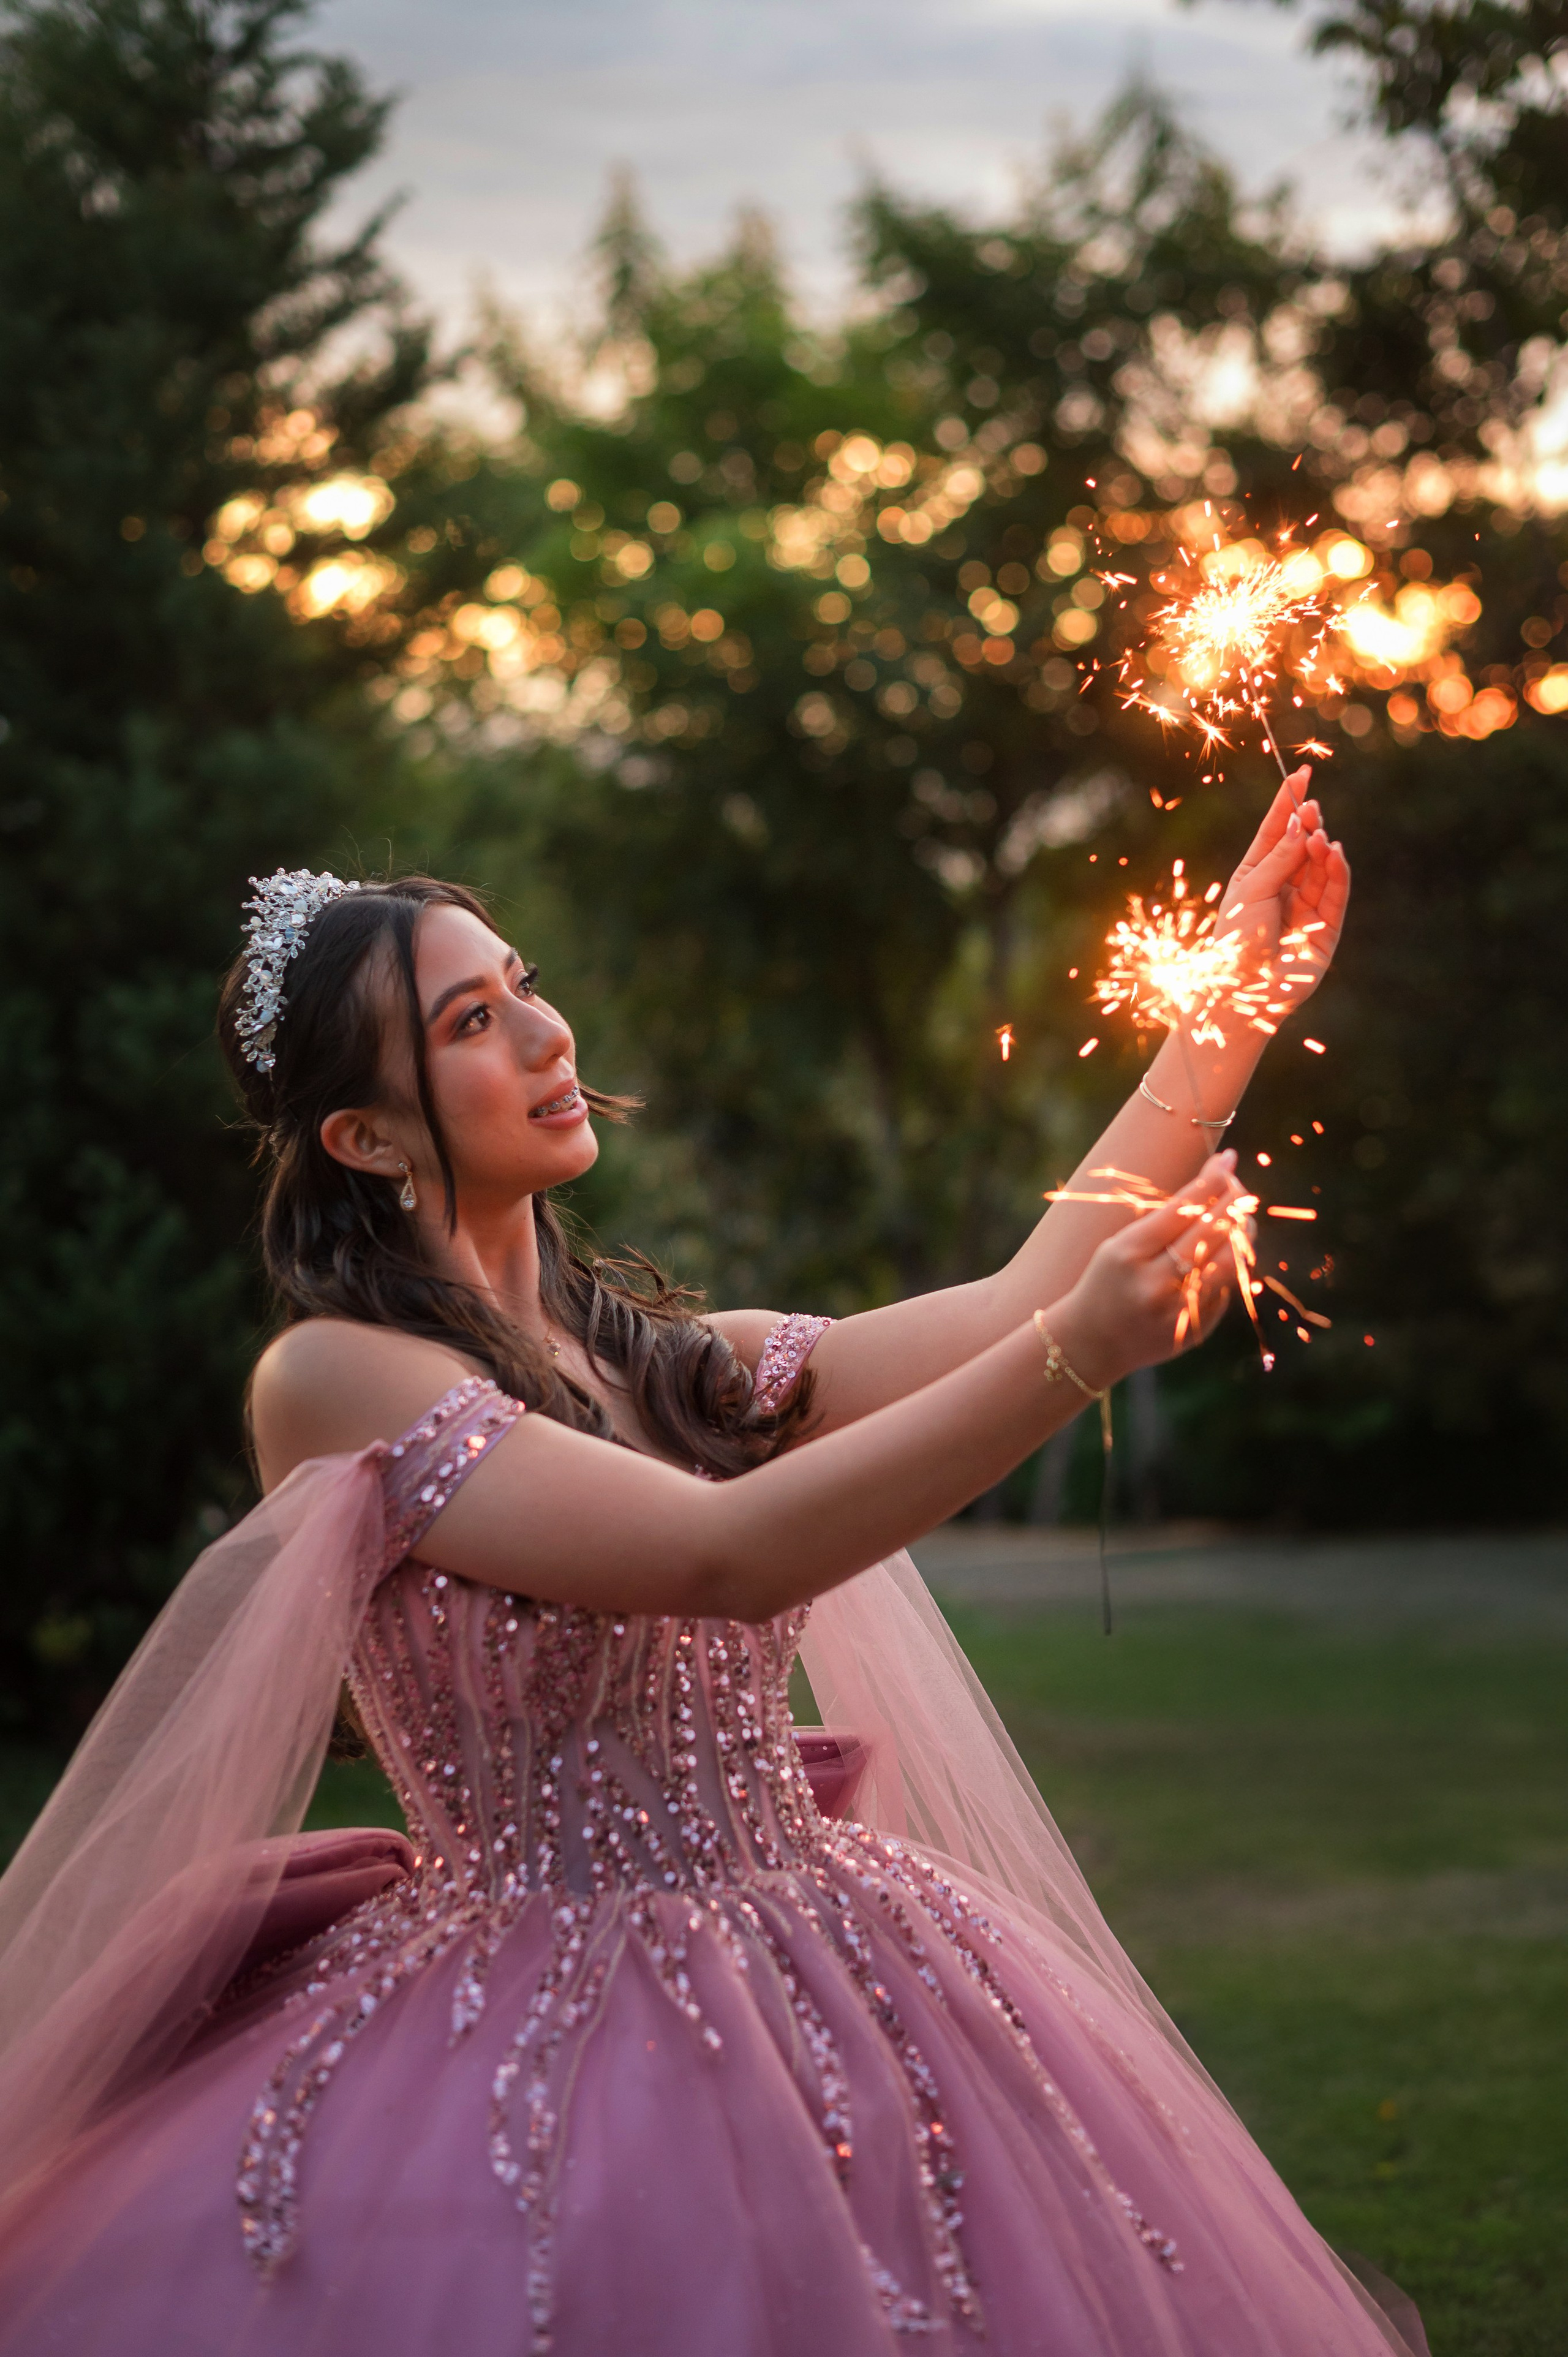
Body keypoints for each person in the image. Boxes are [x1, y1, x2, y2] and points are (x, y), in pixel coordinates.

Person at [0, 775, 1419, 2355]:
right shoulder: (336, 1378)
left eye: (526, 985)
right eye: (473, 1021)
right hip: (530, 2022)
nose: (548, 1038)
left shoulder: (681, 1367)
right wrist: (1076, 1362)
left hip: (834, 1954)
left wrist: (1229, 1004)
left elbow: (1034, 1279)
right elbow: (724, 1556)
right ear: (364, 1134)